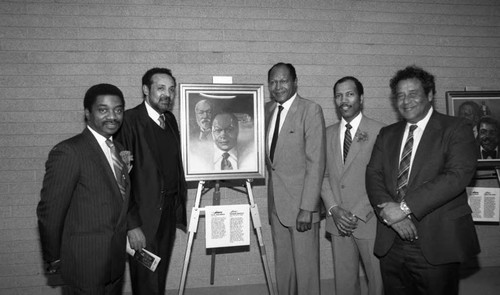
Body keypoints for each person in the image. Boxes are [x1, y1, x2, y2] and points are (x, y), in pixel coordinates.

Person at [366, 65, 480, 295]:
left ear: (429, 95)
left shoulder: (457, 128)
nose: (406, 100)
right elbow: (373, 175)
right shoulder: (387, 134)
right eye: (400, 95)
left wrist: (405, 208)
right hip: (392, 240)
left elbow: (456, 176)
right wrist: (392, 216)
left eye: (413, 93)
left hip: (436, 239)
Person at [37, 84, 130, 294]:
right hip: (83, 264)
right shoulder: (69, 151)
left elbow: (119, 201)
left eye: (118, 110)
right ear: (88, 113)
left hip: (114, 264)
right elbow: (50, 212)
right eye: (103, 110)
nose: (112, 116)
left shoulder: (120, 151)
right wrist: (54, 258)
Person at [114, 68, 187, 295]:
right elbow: (120, 180)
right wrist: (132, 224)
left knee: (159, 277)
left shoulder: (170, 120)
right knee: (146, 282)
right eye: (161, 88)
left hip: (166, 215)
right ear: (146, 90)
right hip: (142, 220)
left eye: (171, 89)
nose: (168, 94)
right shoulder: (129, 122)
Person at [265, 62, 326, 295]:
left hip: (302, 208)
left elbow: (316, 163)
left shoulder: (310, 110)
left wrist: (307, 208)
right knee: (284, 269)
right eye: (273, 81)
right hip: (276, 207)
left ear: (295, 82)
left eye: (283, 80)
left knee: (306, 272)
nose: (278, 86)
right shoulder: (267, 110)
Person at [321, 76, 384, 295]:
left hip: (369, 219)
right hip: (338, 221)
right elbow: (323, 175)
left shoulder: (379, 132)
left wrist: (356, 212)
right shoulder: (326, 134)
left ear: (361, 98)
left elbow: (382, 179)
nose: (343, 100)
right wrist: (334, 209)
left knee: (377, 281)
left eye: (349, 94)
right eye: (338, 95)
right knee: (345, 283)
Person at [189, 112, 256, 172]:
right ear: (211, 132)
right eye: (218, 130)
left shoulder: (252, 156)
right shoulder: (198, 159)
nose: (223, 135)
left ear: (237, 130)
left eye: (229, 130)